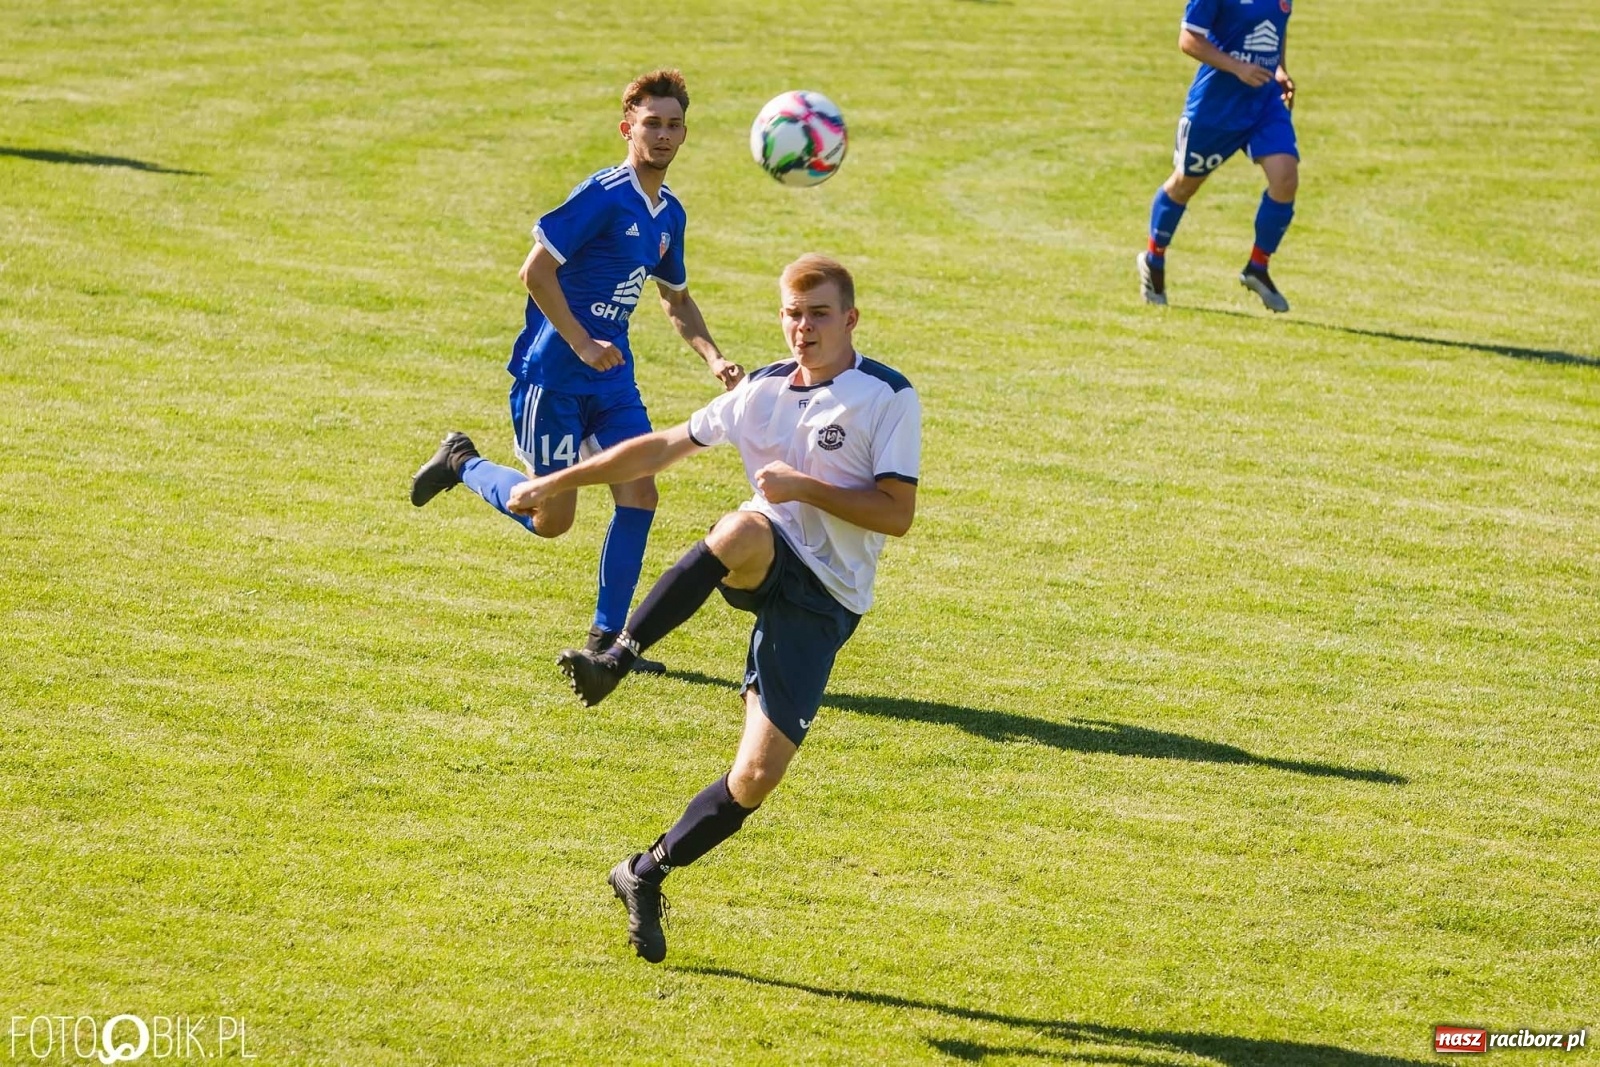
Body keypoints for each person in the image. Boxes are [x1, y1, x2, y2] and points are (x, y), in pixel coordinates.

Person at [506, 254, 921, 963]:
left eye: (819, 314)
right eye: (793, 314)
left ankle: (645, 872)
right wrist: (559, 479)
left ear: (850, 319)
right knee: (740, 529)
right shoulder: (759, 391)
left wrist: (804, 487)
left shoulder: (886, 396)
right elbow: (658, 448)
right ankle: (617, 657)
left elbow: (897, 513)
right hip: (768, 549)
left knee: (755, 777)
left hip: (828, 598)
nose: (804, 327)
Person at [411, 69, 743, 672]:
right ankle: (462, 462)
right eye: (651, 123)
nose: (663, 135)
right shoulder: (603, 194)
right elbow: (534, 272)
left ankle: (608, 641)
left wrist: (714, 356)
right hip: (554, 378)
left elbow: (676, 298)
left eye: (673, 125)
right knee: (550, 521)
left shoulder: (669, 214)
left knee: (641, 490)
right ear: (627, 129)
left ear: (684, 134)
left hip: (612, 381)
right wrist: (583, 343)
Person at [1138, 0, 1300, 313]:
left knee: (1285, 178)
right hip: (1217, 107)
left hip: (1264, 103)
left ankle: (1258, 267)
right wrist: (1238, 67)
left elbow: (1277, 27)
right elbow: (1189, 39)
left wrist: (1279, 69)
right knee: (1184, 185)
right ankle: (1153, 259)